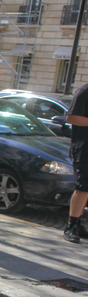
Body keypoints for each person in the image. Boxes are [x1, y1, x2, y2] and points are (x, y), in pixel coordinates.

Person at [63, 83, 88, 243]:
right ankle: (71, 226)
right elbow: (71, 117)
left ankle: (78, 224)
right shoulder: (85, 91)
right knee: (83, 186)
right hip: (84, 146)